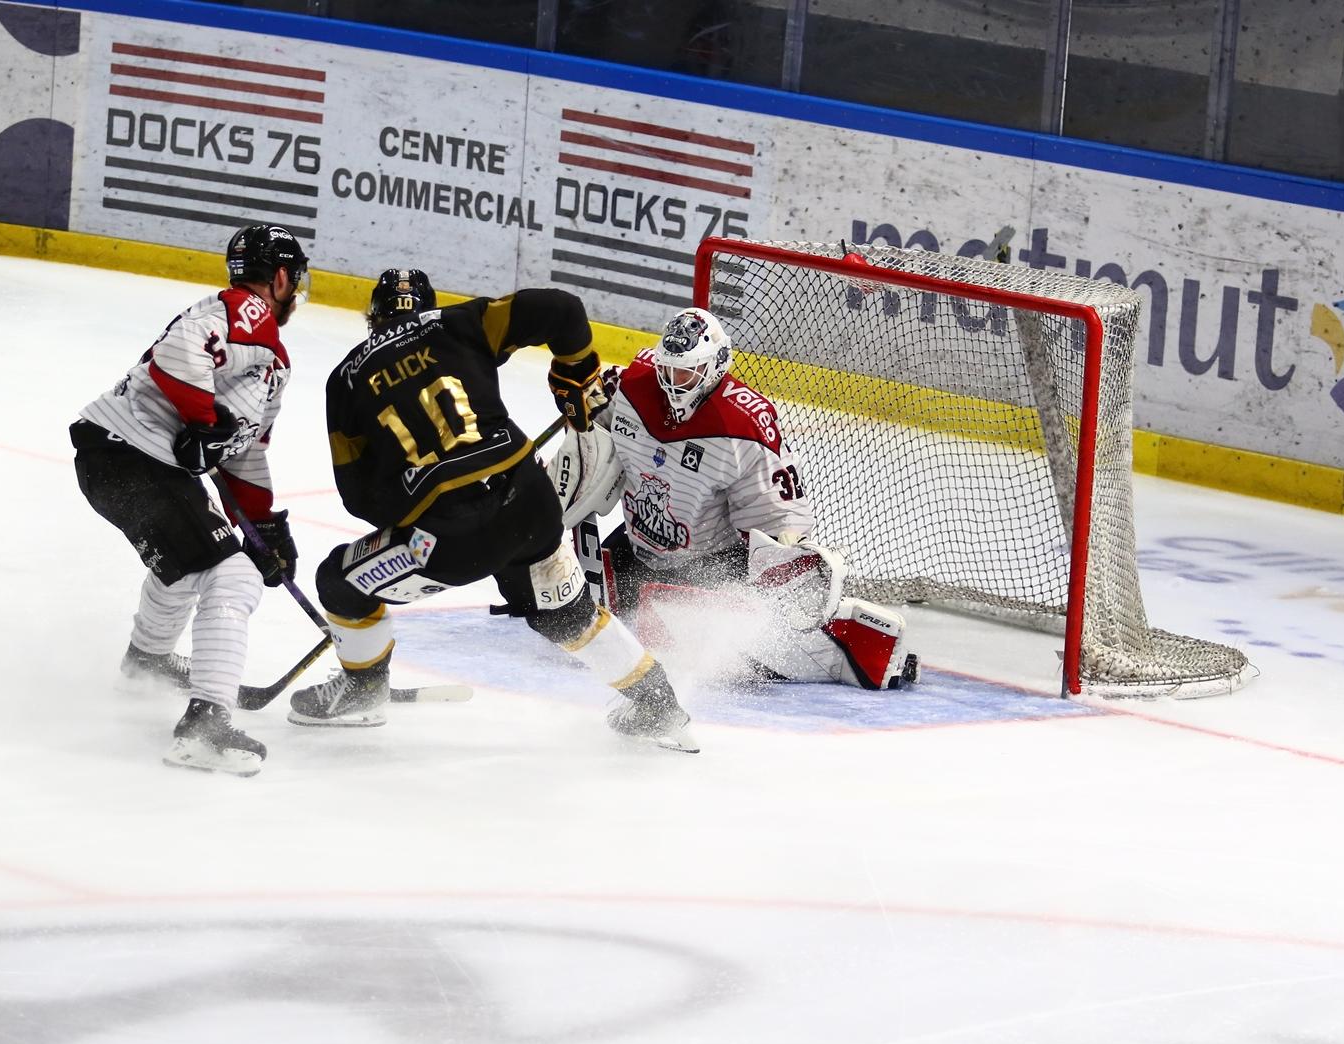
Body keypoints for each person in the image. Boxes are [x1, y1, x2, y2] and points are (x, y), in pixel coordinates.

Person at [289, 268, 697, 753]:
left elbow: (358, 497)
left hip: (448, 540)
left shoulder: (346, 379)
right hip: (532, 503)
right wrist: (578, 375)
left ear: (373, 319)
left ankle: (363, 689)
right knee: (565, 616)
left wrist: (419, 514)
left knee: (339, 581)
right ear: (428, 305)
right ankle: (660, 706)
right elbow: (563, 309)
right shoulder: (456, 323)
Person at [547, 306, 918, 690]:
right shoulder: (633, 386)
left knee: (733, 654)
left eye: (686, 372)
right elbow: (591, 411)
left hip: (705, 568)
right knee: (564, 618)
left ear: (715, 366)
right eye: (668, 369)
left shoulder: (745, 428)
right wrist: (576, 395)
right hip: (636, 550)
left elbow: (779, 524)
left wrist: (786, 562)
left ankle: (856, 641)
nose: (673, 382)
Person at [71, 223, 307, 775]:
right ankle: (204, 726)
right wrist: (204, 420)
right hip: (132, 460)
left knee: (197, 557)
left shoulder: (257, 344)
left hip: (120, 460)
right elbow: (179, 353)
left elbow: (239, 454)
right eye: (293, 279)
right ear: (280, 277)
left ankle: (146, 664)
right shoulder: (251, 313)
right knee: (235, 574)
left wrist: (264, 526)